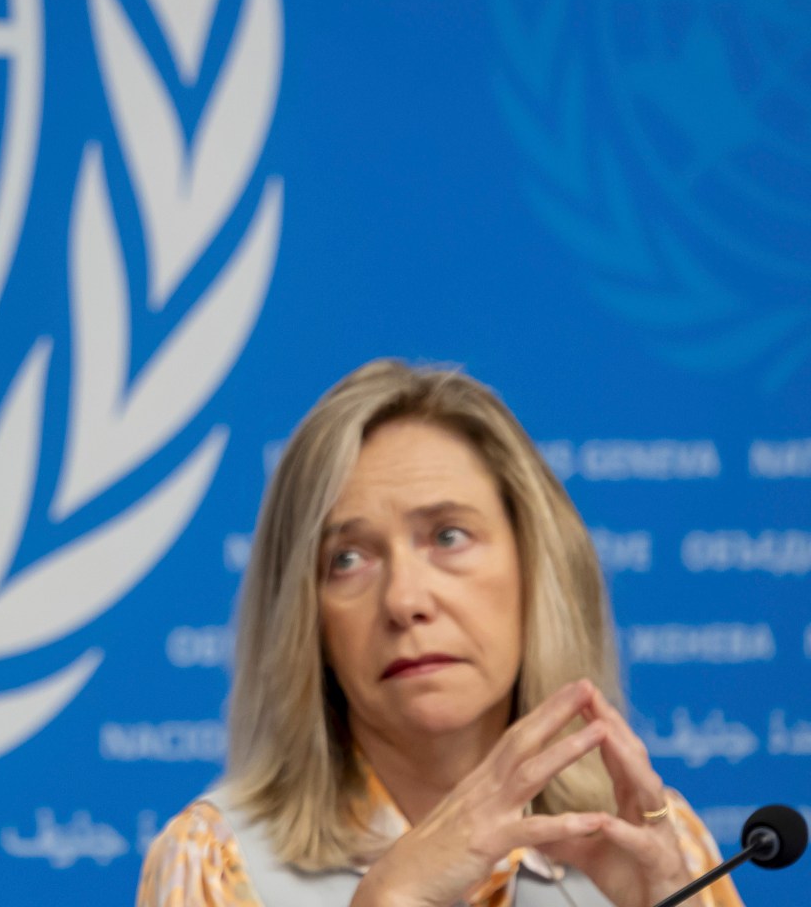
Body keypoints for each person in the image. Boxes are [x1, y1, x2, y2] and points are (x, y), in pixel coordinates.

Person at [137, 361, 737, 907]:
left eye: (448, 537)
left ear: (537, 567)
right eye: (347, 559)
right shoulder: (217, 859)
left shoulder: (650, 836)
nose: (403, 601)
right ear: (306, 621)